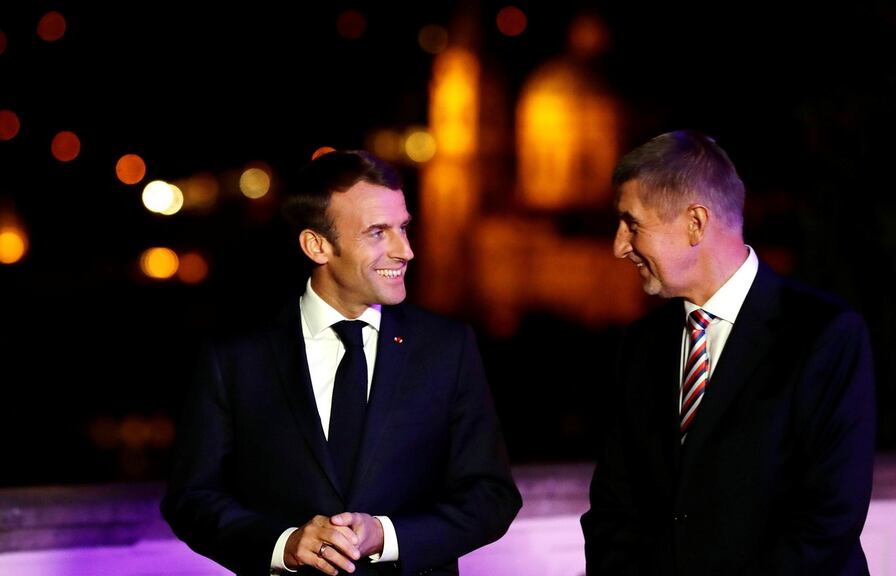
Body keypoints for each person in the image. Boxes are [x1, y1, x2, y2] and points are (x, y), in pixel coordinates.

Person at [161, 149, 522, 576]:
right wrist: (284, 545)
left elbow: (492, 494)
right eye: (377, 233)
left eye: (404, 228)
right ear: (317, 245)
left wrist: (387, 536)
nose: (404, 250)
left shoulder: (447, 347)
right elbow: (192, 499)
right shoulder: (237, 357)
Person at [581, 130, 876, 575]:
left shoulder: (825, 336)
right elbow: (612, 508)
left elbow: (828, 519)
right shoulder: (640, 345)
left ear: (695, 223)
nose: (619, 245)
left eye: (632, 224)